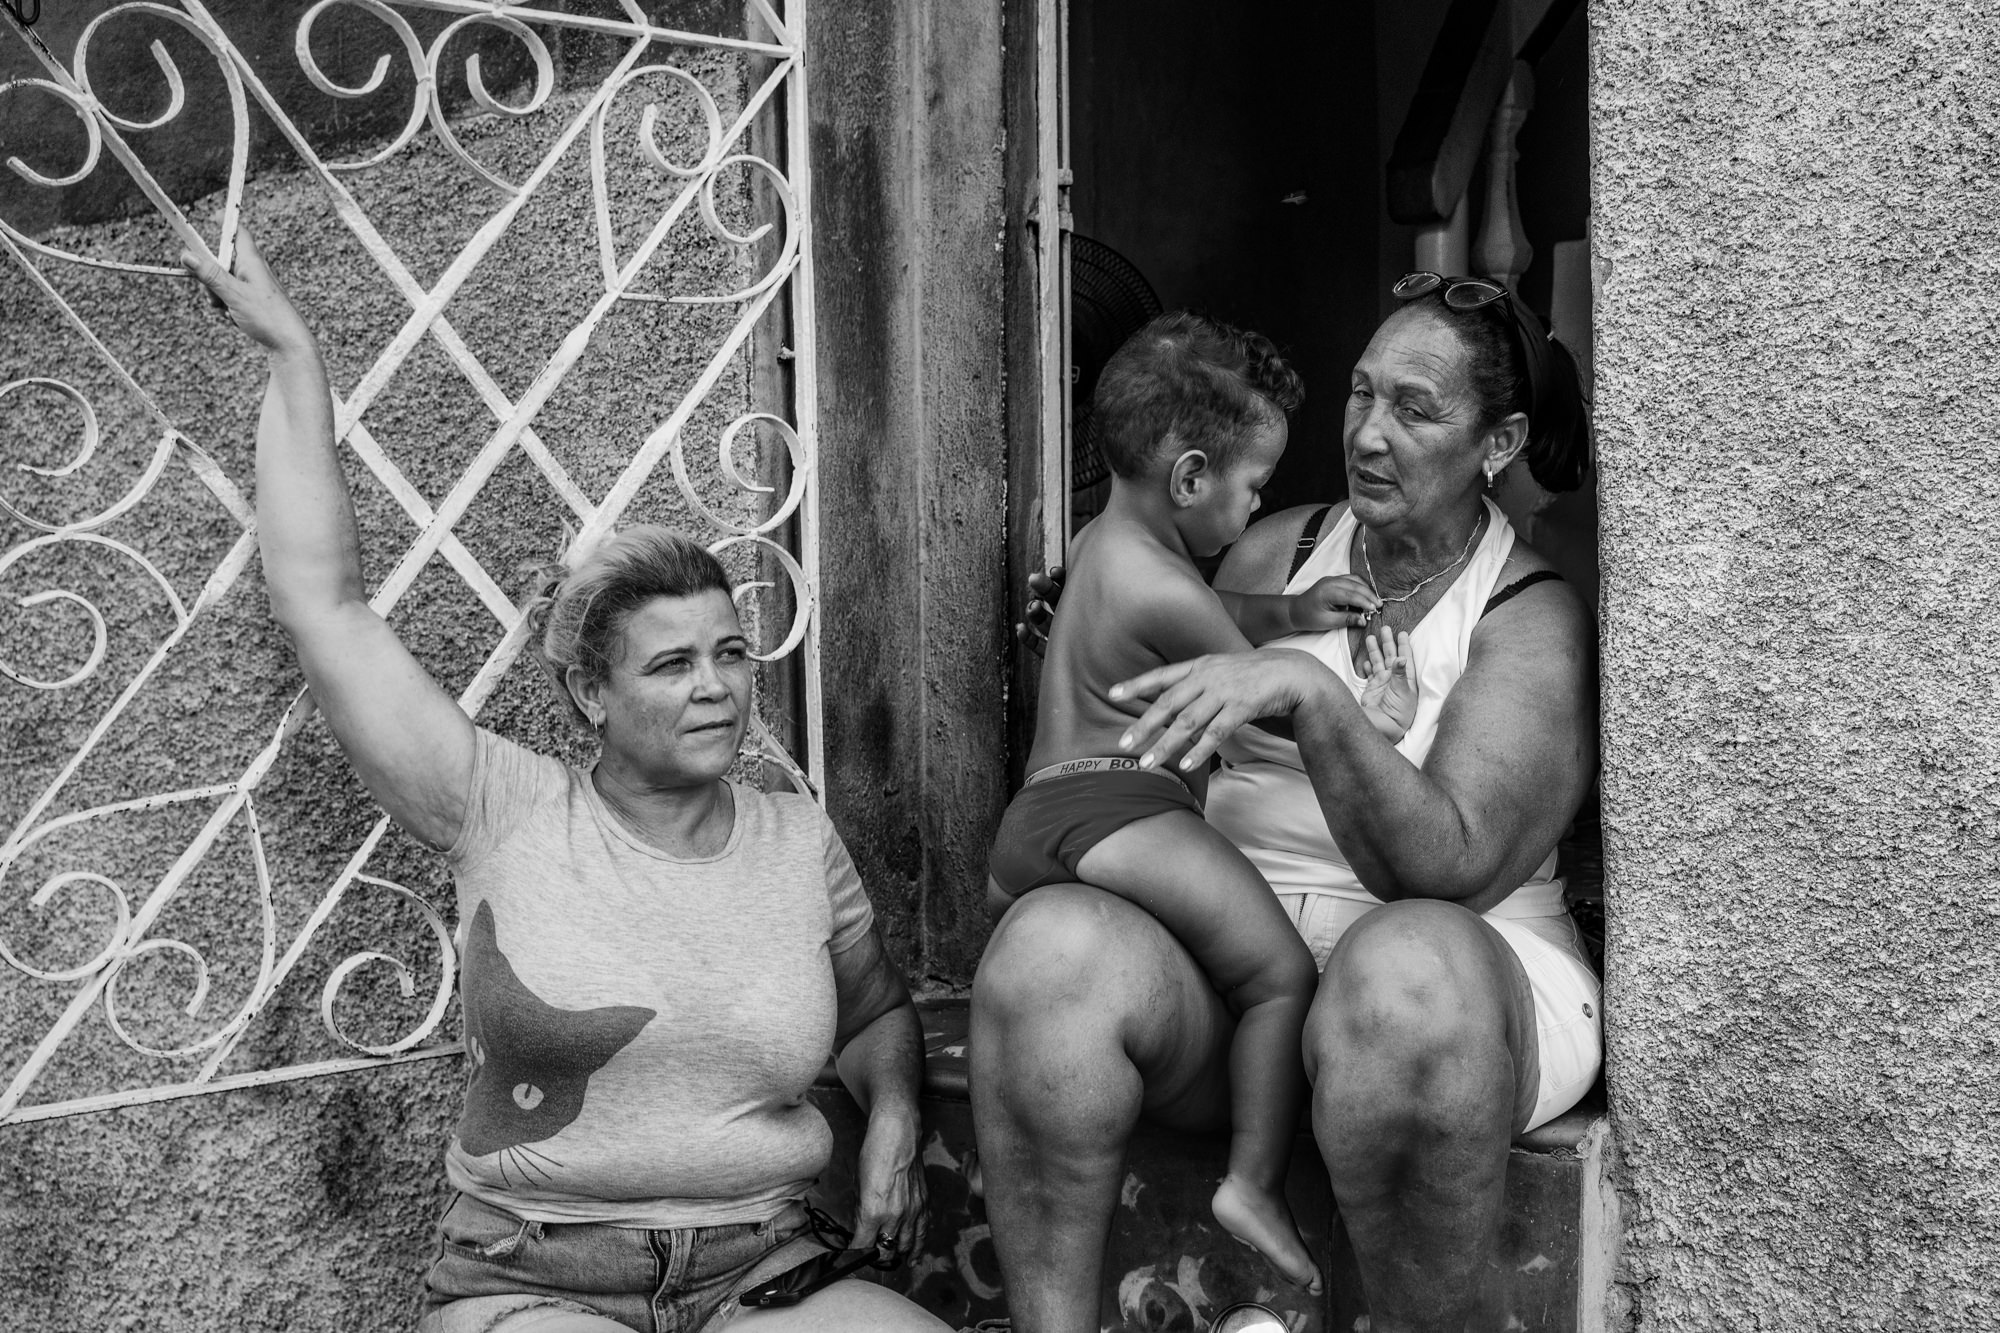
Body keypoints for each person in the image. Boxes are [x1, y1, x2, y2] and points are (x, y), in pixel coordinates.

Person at [184, 229, 950, 1333]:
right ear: (592, 694)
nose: (716, 688)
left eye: (730, 654)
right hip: (534, 1274)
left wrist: (891, 1118)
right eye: (672, 664)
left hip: (762, 1263)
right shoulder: (497, 804)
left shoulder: (795, 837)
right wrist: (295, 361)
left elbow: (873, 1007)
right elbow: (324, 605)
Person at [973, 272, 1601, 1333]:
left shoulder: (1528, 616)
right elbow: (1159, 660)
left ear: (1494, 445)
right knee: (1047, 952)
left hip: (1460, 986)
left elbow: (1444, 869)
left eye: (1413, 407)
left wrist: (1313, 695)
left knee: (1402, 972)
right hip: (1245, 972)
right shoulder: (1277, 550)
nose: (1366, 432)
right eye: (1361, 394)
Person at [985, 312, 1417, 1294]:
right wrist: (1372, 725)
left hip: (1043, 820)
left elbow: (1215, 628)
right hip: (1121, 810)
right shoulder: (1165, 590)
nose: (1256, 504)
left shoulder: (1112, 546)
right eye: (1252, 487)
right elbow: (1246, 700)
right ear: (1188, 478)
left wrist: (1299, 611)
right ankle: (1251, 1185)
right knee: (1275, 978)